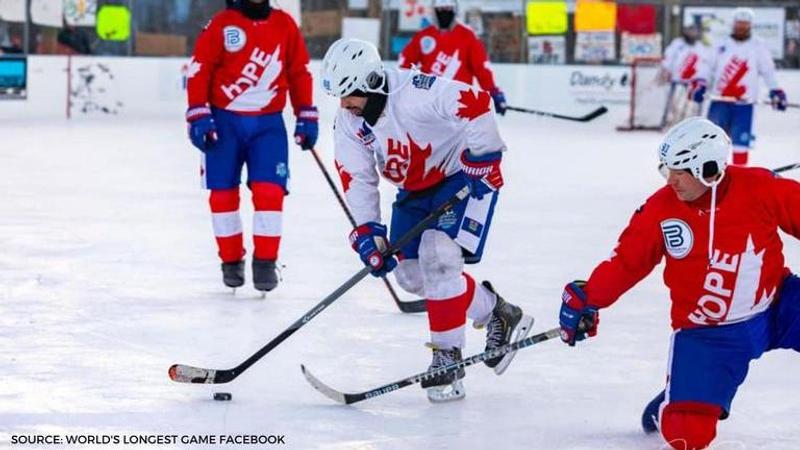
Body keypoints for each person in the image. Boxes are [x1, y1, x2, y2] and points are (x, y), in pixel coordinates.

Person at [558, 116, 800, 450]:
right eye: (667, 169)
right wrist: (589, 298)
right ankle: (673, 402)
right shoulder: (661, 209)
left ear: (709, 167)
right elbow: (628, 262)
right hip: (708, 336)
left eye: (681, 170)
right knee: (687, 436)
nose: (671, 180)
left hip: (778, 307)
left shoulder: (760, 187)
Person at [321, 38, 532, 402]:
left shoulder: (415, 92)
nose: (344, 104)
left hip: (462, 178)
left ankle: (447, 357)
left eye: (350, 94)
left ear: (370, 83)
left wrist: (483, 158)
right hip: (414, 190)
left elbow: (476, 102)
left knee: (440, 254)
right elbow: (356, 177)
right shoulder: (349, 121)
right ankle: (497, 311)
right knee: (411, 275)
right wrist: (368, 233)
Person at [185, 0, 317, 292]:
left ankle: (266, 264)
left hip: (268, 125)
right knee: (222, 197)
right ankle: (231, 262)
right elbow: (199, 69)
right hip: (223, 124)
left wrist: (306, 112)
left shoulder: (284, 25)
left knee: (270, 192)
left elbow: (299, 71)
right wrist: (198, 113)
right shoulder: (221, 24)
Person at [688, 7, 787, 166]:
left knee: (741, 144)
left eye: (745, 24)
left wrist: (776, 90)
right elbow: (706, 66)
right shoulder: (720, 45)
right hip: (720, 102)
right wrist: (700, 83)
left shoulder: (758, 46)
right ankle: (711, 180)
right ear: (733, 24)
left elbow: (768, 71)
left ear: (750, 25)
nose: (741, 27)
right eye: (739, 24)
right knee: (711, 144)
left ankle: (738, 182)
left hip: (744, 104)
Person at [398, 0, 507, 116]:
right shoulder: (423, 36)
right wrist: (401, 90)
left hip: (458, 103)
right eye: (440, 10)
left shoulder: (468, 36)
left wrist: (493, 92)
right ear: (434, 11)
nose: (444, 13)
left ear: (454, 11)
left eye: (448, 9)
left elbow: (481, 68)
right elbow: (405, 65)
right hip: (429, 104)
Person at [658, 24, 710, 125]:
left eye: (694, 31)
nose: (692, 34)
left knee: (694, 106)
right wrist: (666, 70)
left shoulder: (701, 47)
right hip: (677, 80)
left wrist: (703, 79)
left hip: (694, 81)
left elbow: (705, 64)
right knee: (673, 104)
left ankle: (696, 124)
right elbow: (668, 58)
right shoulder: (677, 44)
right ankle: (668, 122)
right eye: (690, 31)